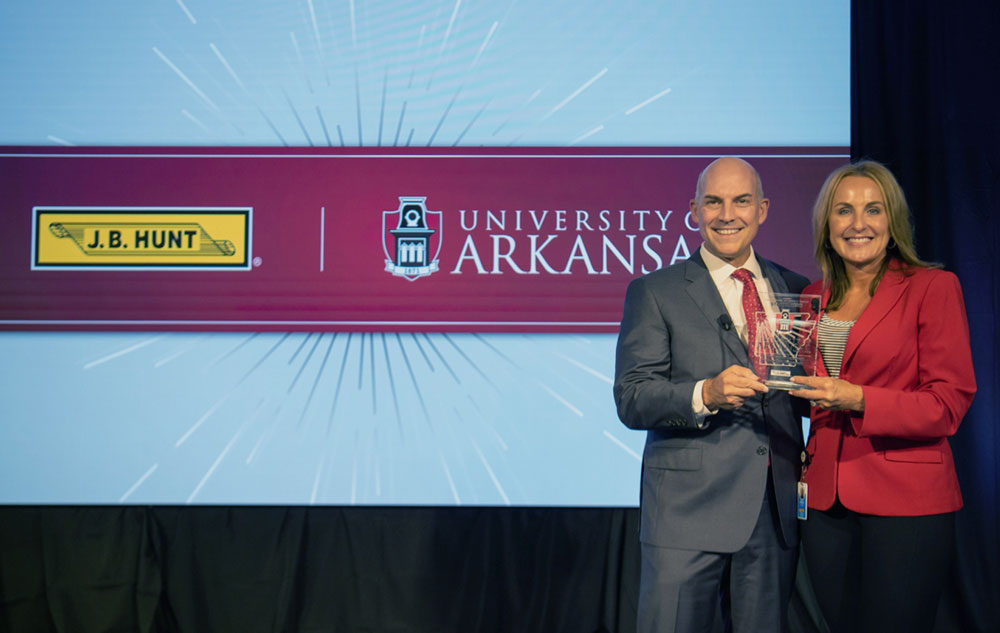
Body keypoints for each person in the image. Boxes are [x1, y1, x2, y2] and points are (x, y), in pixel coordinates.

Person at [614, 157, 809, 633]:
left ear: (762, 210)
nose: (727, 214)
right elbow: (632, 397)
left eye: (741, 201)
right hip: (685, 515)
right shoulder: (655, 291)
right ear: (693, 211)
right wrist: (706, 393)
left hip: (771, 514)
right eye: (713, 202)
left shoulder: (796, 290)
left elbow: (799, 395)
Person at [788, 160, 976, 633]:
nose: (858, 224)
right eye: (843, 211)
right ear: (826, 225)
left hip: (906, 503)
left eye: (873, 210)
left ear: (892, 223)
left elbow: (947, 403)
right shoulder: (812, 296)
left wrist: (858, 399)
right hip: (826, 502)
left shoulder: (932, 287)